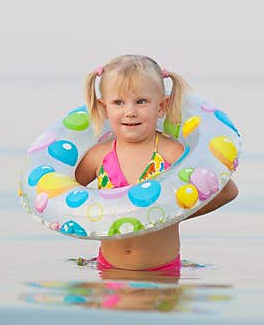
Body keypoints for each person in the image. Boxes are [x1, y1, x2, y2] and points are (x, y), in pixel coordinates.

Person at [73, 55, 239, 275]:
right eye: (118, 103)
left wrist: (173, 212)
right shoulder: (99, 157)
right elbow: (67, 191)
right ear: (105, 109)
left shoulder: (171, 153)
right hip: (109, 269)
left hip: (161, 272)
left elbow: (227, 191)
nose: (130, 111)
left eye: (141, 101)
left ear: (161, 106)